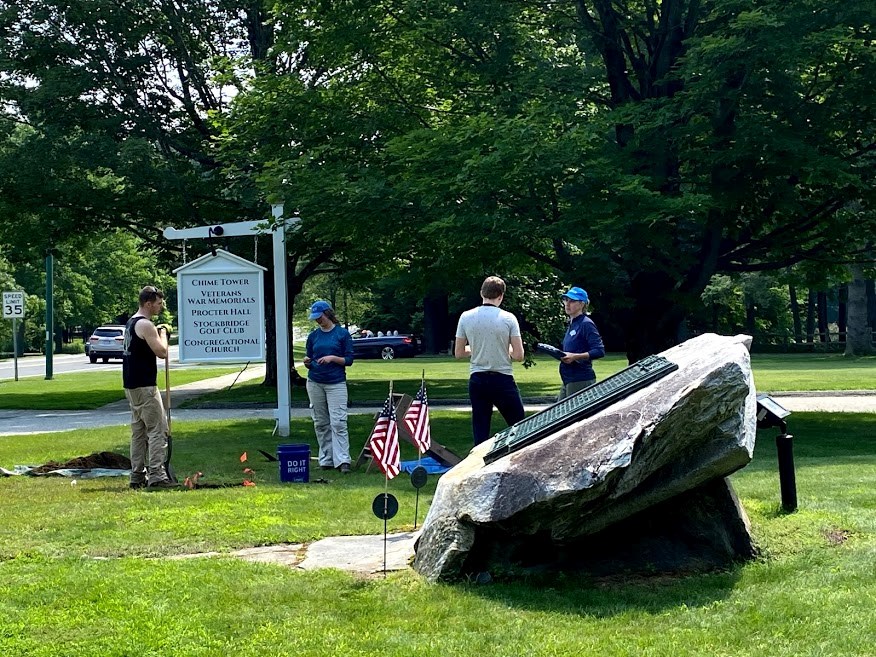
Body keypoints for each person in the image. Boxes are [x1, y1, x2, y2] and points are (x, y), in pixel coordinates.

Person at [455, 276, 525, 445]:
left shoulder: (466, 317)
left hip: (478, 379)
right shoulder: (508, 318)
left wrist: (478, 348)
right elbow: (519, 355)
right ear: (501, 296)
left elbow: (458, 352)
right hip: (502, 379)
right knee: (521, 426)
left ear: (481, 293)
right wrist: (503, 349)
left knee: (480, 430)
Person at [123, 286, 174, 489]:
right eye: (159, 303)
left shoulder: (130, 322)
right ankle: (157, 475)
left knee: (139, 431)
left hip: (131, 385)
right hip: (145, 386)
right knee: (156, 429)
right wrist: (163, 333)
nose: (160, 307)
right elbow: (162, 352)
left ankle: (136, 476)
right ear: (148, 303)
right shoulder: (145, 325)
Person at [303, 300, 355, 473]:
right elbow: (310, 358)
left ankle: (343, 460)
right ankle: (326, 459)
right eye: (316, 318)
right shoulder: (313, 336)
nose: (318, 321)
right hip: (315, 381)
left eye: (320, 317)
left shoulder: (342, 334)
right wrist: (307, 362)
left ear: (328, 314)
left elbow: (349, 360)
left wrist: (332, 358)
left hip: (336, 382)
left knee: (338, 421)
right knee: (321, 422)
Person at [557, 286, 605, 399]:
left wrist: (575, 357)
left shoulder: (586, 324)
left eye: (572, 301)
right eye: (566, 300)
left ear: (582, 304)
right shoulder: (572, 324)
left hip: (581, 379)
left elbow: (599, 351)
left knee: (573, 416)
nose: (567, 304)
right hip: (568, 379)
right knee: (560, 414)